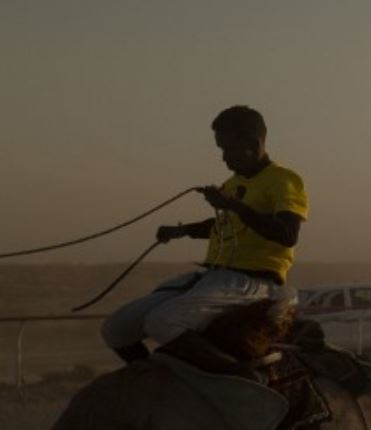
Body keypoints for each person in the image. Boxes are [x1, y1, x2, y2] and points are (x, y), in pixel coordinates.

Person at [102, 106, 307, 363]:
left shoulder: (284, 180)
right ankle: (153, 380)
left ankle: (233, 378)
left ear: (254, 144)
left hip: (253, 283)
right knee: (116, 328)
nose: (224, 158)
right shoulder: (232, 184)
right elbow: (225, 226)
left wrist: (233, 205)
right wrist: (182, 231)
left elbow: (287, 234)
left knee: (162, 322)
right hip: (213, 277)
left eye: (229, 150)